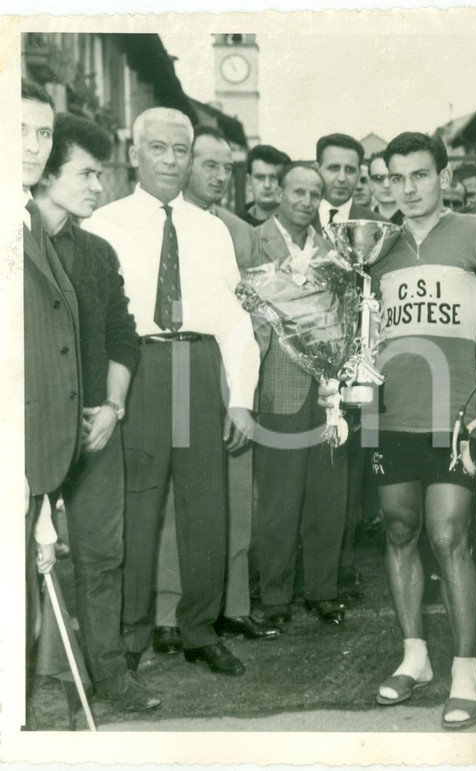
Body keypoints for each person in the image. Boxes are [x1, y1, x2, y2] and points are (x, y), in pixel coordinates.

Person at [327, 131, 476, 729]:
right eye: (394, 178)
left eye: (419, 175)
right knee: (400, 530)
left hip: (456, 412)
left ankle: (465, 671)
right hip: (389, 412)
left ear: (444, 176)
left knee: (449, 536)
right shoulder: (377, 245)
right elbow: (358, 328)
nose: (407, 189)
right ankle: (415, 657)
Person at [84, 107, 260, 677]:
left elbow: (236, 321)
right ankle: (132, 635)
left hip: (200, 366)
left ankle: (200, 630)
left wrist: (241, 398)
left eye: (180, 150)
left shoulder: (212, 230)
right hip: (138, 369)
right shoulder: (103, 224)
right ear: (133, 153)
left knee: (206, 508)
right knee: (136, 508)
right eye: (157, 148)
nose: (169, 160)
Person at [31, 112, 161, 712]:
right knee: (22, 561)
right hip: (33, 431)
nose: (98, 186)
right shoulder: (14, 244)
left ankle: (110, 676)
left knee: (103, 557)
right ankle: (29, 687)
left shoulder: (97, 252)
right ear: (46, 172)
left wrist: (112, 406)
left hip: (94, 429)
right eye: (86, 173)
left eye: (100, 174)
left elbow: (123, 336)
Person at [164, 125, 282, 643]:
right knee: (176, 491)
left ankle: (233, 604)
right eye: (208, 164)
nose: (218, 176)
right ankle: (168, 611)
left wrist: (243, 384)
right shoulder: (161, 221)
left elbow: (259, 312)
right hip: (176, 363)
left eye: (226, 168)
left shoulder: (239, 232)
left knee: (235, 487)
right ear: (187, 164)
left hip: (231, 366)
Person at [245, 162, 352, 627]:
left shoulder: (334, 249)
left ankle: (322, 590)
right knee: (278, 497)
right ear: (280, 193)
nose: (306, 202)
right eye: (298, 192)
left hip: (327, 391)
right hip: (278, 383)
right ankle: (274, 596)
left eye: (314, 194)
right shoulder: (254, 241)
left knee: (328, 494)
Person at [22, 80, 83, 728]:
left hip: (31, 463)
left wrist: (40, 498)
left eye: (43, 132)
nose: (34, 146)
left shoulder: (26, 219)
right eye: (18, 130)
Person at [315, 132, 381, 230]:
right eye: (334, 168)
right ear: (317, 170)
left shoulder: (378, 225)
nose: (342, 178)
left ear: (359, 174)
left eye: (350, 170)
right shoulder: (296, 219)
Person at [242, 144, 291, 226]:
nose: (267, 185)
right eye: (260, 177)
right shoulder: (237, 226)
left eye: (273, 178)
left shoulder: (294, 226)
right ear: (249, 182)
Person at [368, 152, 402, 224]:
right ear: (370, 183)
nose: (386, 185)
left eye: (393, 178)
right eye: (378, 178)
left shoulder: (418, 221)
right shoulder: (364, 221)